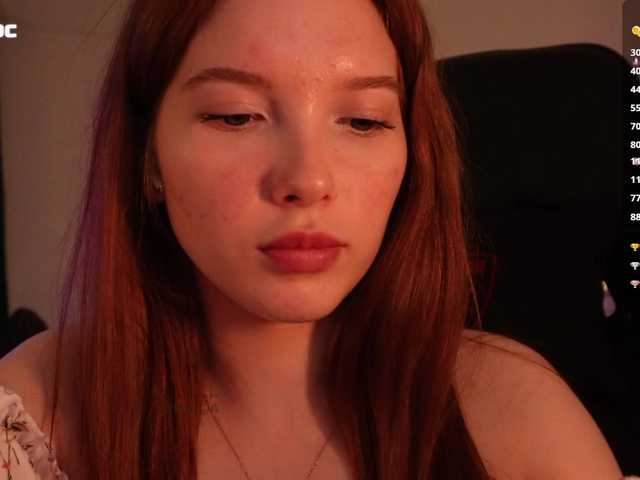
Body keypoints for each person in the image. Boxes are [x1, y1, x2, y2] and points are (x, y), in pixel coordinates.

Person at [0, 0, 632, 478]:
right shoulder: (30, 416)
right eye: (236, 116)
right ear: (149, 159)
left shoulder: (515, 412)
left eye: (362, 121)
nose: (307, 180)